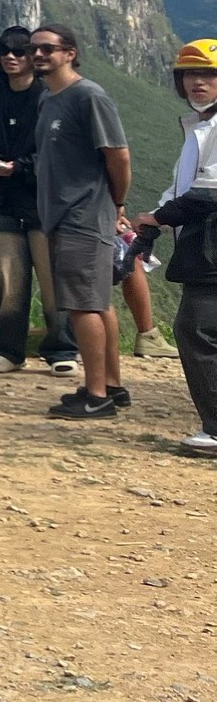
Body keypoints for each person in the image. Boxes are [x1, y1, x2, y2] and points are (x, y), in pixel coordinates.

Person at [30, 24, 132, 421]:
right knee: (97, 301)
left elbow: (118, 155)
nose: (38, 55)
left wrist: (116, 203)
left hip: (83, 215)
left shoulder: (88, 96)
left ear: (70, 53)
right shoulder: (48, 98)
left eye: (48, 48)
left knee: (81, 305)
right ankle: (111, 385)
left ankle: (96, 396)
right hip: (60, 214)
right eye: (34, 48)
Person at [128, 39, 217, 456]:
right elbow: (184, 186)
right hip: (203, 241)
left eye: (209, 74)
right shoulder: (200, 126)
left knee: (195, 327)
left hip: (211, 246)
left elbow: (208, 193)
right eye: (190, 74)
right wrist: (155, 215)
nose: (198, 81)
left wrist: (160, 218)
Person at [0, 28, 77, 373]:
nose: (10, 57)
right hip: (6, 206)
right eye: (5, 51)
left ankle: (62, 351)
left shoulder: (49, 101)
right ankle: (8, 350)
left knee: (53, 281)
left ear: (33, 58)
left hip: (44, 207)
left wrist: (19, 167)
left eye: (19, 51)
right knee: (7, 281)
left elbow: (60, 153)